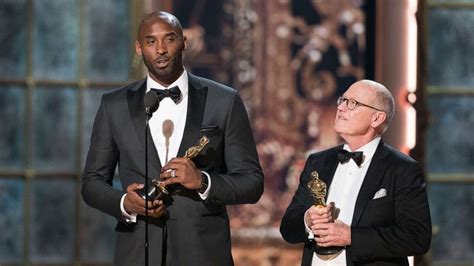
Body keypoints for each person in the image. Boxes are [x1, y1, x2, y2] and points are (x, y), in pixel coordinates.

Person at [81, 11, 263, 265]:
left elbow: (252, 183)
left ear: (184, 41)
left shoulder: (224, 100)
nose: (161, 50)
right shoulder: (114, 105)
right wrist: (125, 202)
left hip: (203, 253)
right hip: (137, 253)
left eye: (169, 39)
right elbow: (91, 183)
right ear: (138, 47)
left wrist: (202, 181)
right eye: (151, 41)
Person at [280, 80, 431, 265]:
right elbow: (288, 228)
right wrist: (307, 220)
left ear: (377, 118)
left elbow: (417, 237)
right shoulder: (318, 162)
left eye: (353, 103)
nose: (341, 107)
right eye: (342, 100)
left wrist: (351, 236)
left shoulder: (402, 169)